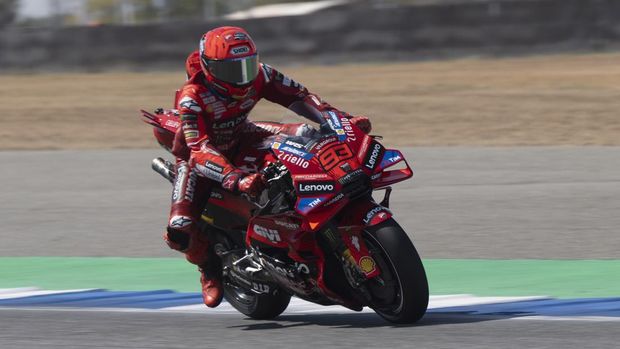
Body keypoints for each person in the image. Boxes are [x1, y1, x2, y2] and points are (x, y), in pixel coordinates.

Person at [166, 26, 371, 308]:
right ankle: (209, 268)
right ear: (209, 68)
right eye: (231, 71)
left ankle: (318, 211)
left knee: (308, 135)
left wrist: (341, 121)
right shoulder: (193, 97)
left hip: (243, 135)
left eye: (246, 65)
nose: (242, 77)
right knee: (179, 229)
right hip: (198, 159)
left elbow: (301, 97)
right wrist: (234, 178)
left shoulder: (262, 74)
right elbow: (199, 150)